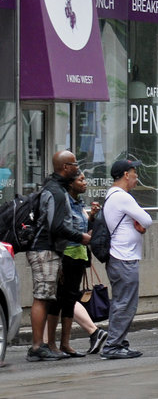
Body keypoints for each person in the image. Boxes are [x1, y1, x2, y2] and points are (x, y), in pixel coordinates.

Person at [26, 150, 90, 362]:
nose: (78, 168)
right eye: (74, 164)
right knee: (42, 297)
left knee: (48, 297)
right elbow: (56, 225)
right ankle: (37, 346)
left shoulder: (55, 189)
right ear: (65, 168)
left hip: (49, 249)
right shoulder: (55, 191)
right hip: (44, 249)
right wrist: (80, 237)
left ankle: (46, 345)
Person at [101, 157, 153, 360]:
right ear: (125, 175)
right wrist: (139, 222)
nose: (137, 177)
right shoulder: (122, 197)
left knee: (122, 302)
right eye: (134, 173)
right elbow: (147, 219)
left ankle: (119, 342)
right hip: (124, 257)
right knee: (125, 303)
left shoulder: (113, 196)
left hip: (120, 257)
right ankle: (113, 345)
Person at [50, 172, 99, 357]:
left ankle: (65, 344)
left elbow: (83, 228)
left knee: (70, 299)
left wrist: (92, 217)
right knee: (58, 300)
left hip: (79, 255)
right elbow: (62, 228)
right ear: (70, 184)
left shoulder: (78, 203)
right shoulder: (65, 202)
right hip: (66, 254)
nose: (85, 183)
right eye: (81, 180)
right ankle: (52, 345)